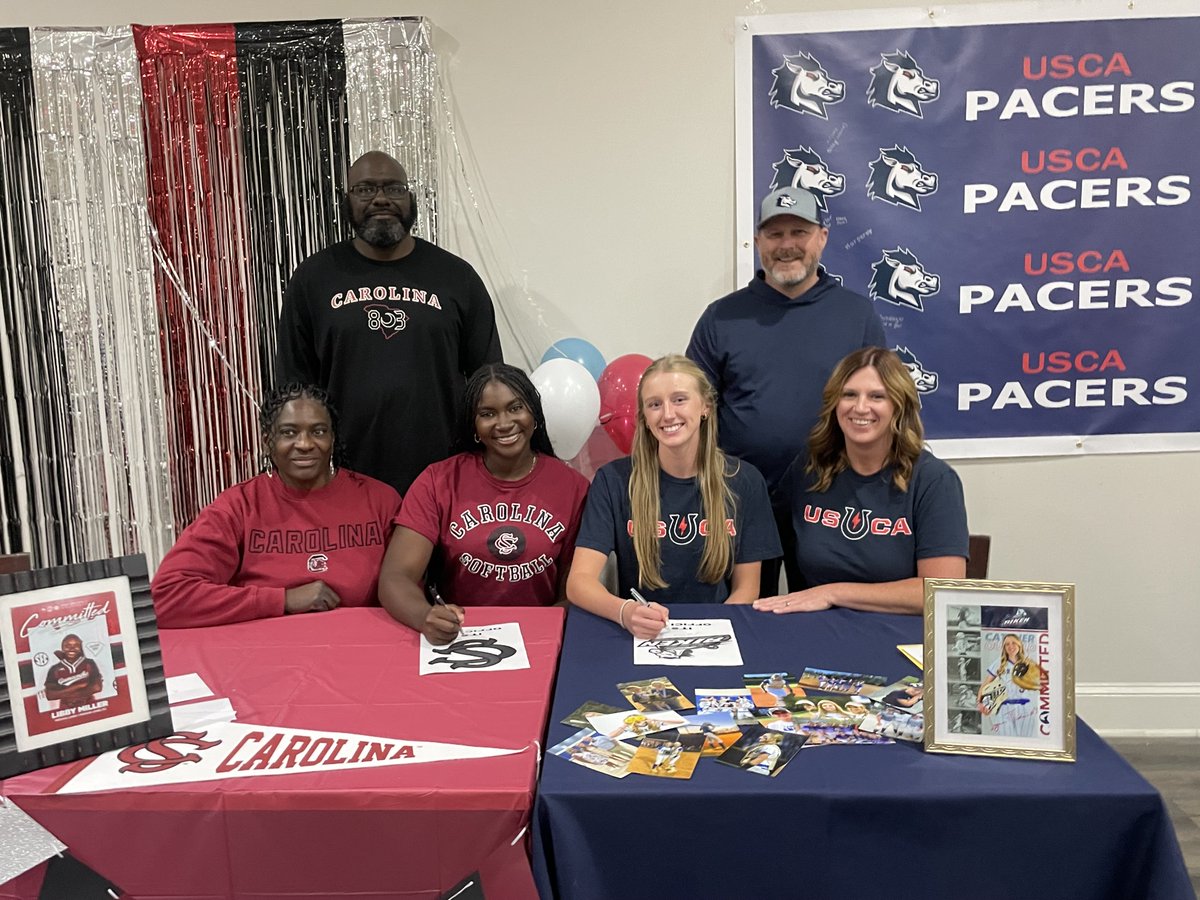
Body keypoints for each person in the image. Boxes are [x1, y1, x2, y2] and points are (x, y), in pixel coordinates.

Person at [687, 186, 886, 595]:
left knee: (822, 614)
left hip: (833, 499)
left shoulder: (857, 315)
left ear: (822, 237)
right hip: (736, 499)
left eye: (799, 232)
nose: (787, 245)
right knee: (742, 614)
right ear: (757, 241)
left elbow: (883, 408)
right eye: (775, 234)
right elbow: (692, 412)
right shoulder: (721, 318)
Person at [275, 151, 502, 495]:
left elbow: (490, 382)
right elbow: (294, 388)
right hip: (343, 480)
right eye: (365, 189)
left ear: (411, 199)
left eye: (394, 188)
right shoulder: (313, 279)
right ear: (346, 201)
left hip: (444, 480)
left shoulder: (457, 278)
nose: (381, 198)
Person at [567, 355, 781, 639]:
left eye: (679, 400)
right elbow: (579, 582)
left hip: (716, 633)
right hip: (642, 635)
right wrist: (624, 612)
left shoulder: (745, 480)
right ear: (644, 417)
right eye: (655, 404)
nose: (667, 414)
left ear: (705, 406)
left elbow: (747, 589)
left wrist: (707, 636)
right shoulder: (613, 480)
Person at [152, 384, 401, 627]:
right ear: (267, 441)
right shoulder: (239, 506)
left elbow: (409, 591)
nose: (305, 444)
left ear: (333, 438)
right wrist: (283, 600)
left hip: (359, 646)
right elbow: (165, 597)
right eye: (289, 433)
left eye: (318, 431)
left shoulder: (380, 501)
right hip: (262, 649)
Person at [378, 363, 589, 644]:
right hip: (460, 637)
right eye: (487, 414)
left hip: (542, 640)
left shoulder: (573, 487)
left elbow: (577, 590)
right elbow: (395, 577)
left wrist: (540, 635)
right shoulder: (438, 481)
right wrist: (424, 615)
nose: (504, 423)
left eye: (515, 408)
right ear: (474, 425)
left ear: (534, 414)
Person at [755, 347, 968, 616]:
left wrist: (833, 593)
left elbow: (941, 591)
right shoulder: (811, 467)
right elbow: (765, 538)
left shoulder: (934, 481)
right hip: (817, 629)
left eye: (877, 396)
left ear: (899, 406)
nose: (860, 407)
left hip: (896, 632)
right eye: (849, 395)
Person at [978, 634, 1044, 737]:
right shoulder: (1000, 663)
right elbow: (986, 684)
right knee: (1006, 741)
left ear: (1019, 645)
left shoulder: (1028, 663)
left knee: (1025, 741)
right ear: (1004, 647)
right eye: (1007, 644)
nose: (1010, 646)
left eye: (1013, 643)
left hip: (1026, 707)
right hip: (1005, 707)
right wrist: (980, 702)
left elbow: (1040, 684)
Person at [43, 634, 102, 707]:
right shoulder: (55, 669)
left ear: (80, 648)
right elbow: (50, 695)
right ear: (62, 648)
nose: (72, 648)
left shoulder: (89, 663)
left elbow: (97, 687)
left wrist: (64, 692)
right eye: (67, 645)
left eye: (76, 645)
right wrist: (78, 686)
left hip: (89, 705)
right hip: (66, 708)